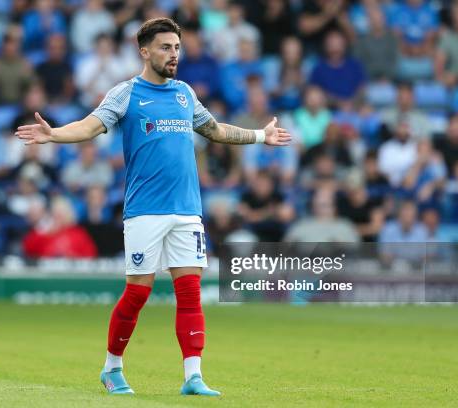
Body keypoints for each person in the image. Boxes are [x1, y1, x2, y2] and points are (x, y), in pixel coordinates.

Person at [15, 18, 291, 396]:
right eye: (165, 47)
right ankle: (112, 367)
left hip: (187, 209)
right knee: (139, 293)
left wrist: (262, 135)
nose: (174, 54)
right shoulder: (126, 94)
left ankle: (193, 376)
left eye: (177, 47)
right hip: (145, 210)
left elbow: (216, 130)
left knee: (190, 291)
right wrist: (54, 134)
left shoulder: (184, 94)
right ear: (144, 51)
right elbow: (91, 125)